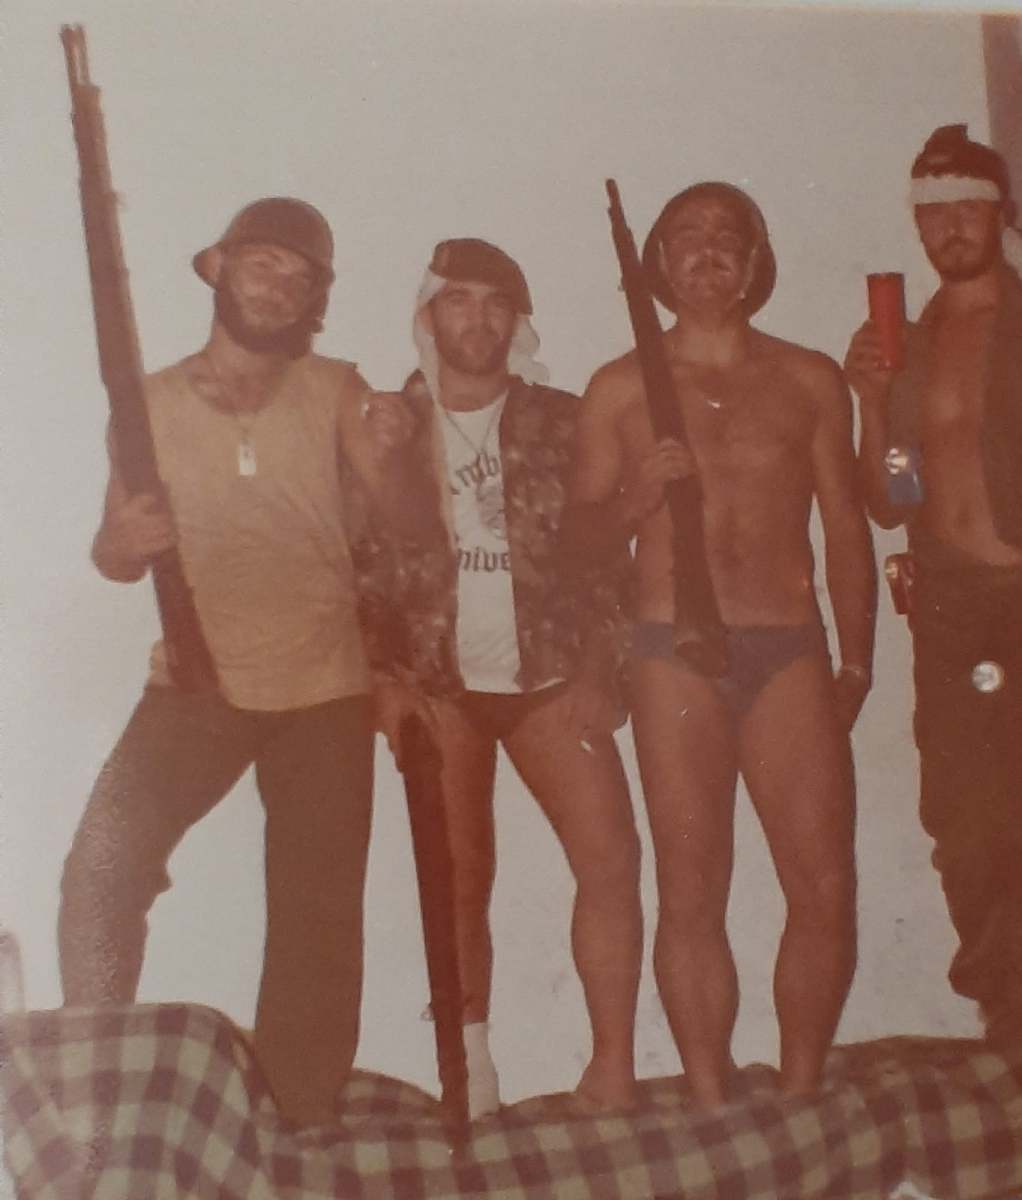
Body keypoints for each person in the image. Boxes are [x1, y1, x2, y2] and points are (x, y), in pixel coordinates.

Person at [58, 197, 393, 1126]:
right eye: (262, 264)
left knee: (317, 920)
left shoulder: (339, 389)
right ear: (219, 268)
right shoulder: (146, 404)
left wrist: (396, 453)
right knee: (101, 868)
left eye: (300, 277)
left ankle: (299, 1122)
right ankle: (92, 1086)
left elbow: (404, 525)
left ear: (316, 301)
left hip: (327, 688)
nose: (278, 287)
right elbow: (116, 551)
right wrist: (118, 545)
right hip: (197, 684)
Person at [563, 182, 876, 1108]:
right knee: (692, 889)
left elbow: (846, 528)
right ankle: (709, 1099)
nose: (708, 248)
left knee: (824, 885)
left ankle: (801, 1094)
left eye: (727, 235)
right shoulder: (619, 386)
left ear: (754, 261)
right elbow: (577, 541)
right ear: (658, 263)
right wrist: (638, 500)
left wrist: (856, 661)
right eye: (687, 235)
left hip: (789, 648)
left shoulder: (809, 378)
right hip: (671, 652)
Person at [368, 238, 643, 1116]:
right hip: (439, 685)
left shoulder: (563, 419)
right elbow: (357, 558)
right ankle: (471, 1075)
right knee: (457, 879)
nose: (477, 319)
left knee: (611, 859)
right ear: (429, 314)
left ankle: (612, 1068)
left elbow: (607, 555)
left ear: (517, 321)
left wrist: (604, 667)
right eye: (459, 300)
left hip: (550, 680)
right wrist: (383, 679)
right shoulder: (386, 425)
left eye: (496, 303)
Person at [846, 125, 1022, 1043]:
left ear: (1000, 214)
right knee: (967, 817)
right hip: (952, 611)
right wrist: (874, 405)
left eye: (967, 208)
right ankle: (1007, 1015)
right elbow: (892, 498)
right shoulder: (903, 346)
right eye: (934, 212)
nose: (951, 227)